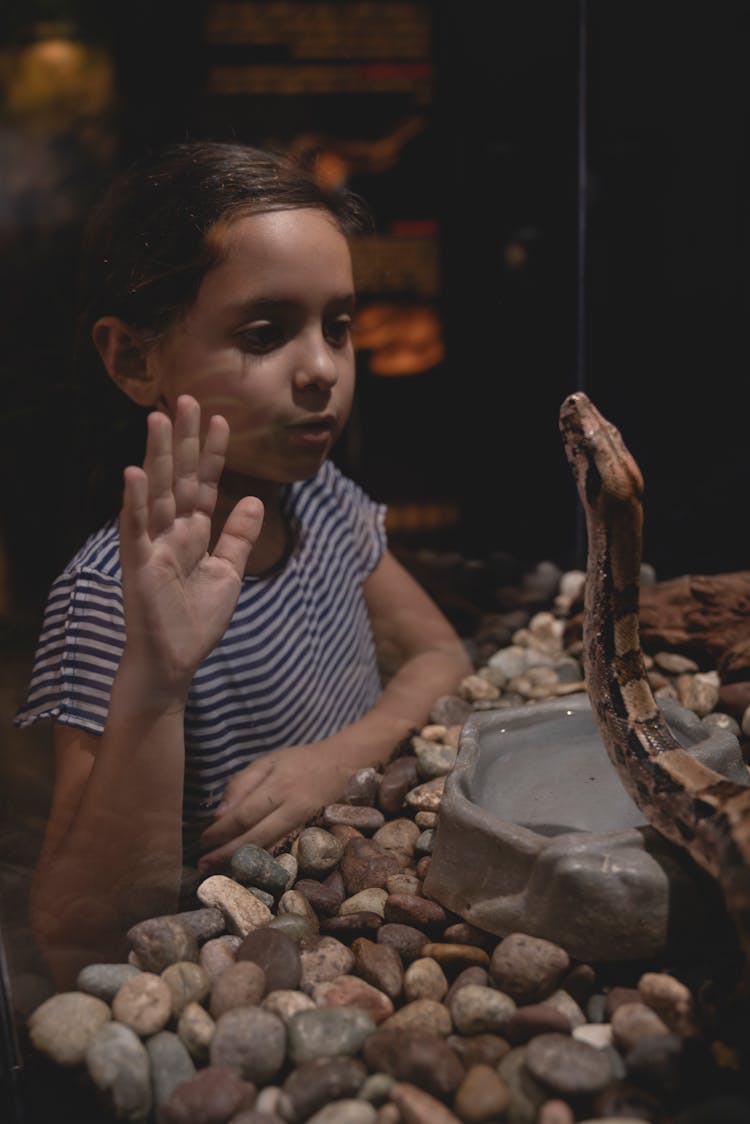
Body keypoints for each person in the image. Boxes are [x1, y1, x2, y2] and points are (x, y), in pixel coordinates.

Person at [15, 140, 472, 989]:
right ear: (132, 359)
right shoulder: (106, 598)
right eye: (265, 333)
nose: (323, 370)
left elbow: (442, 655)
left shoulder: (319, 496)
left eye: (338, 326)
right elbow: (84, 941)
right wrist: (155, 680)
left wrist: (339, 759)